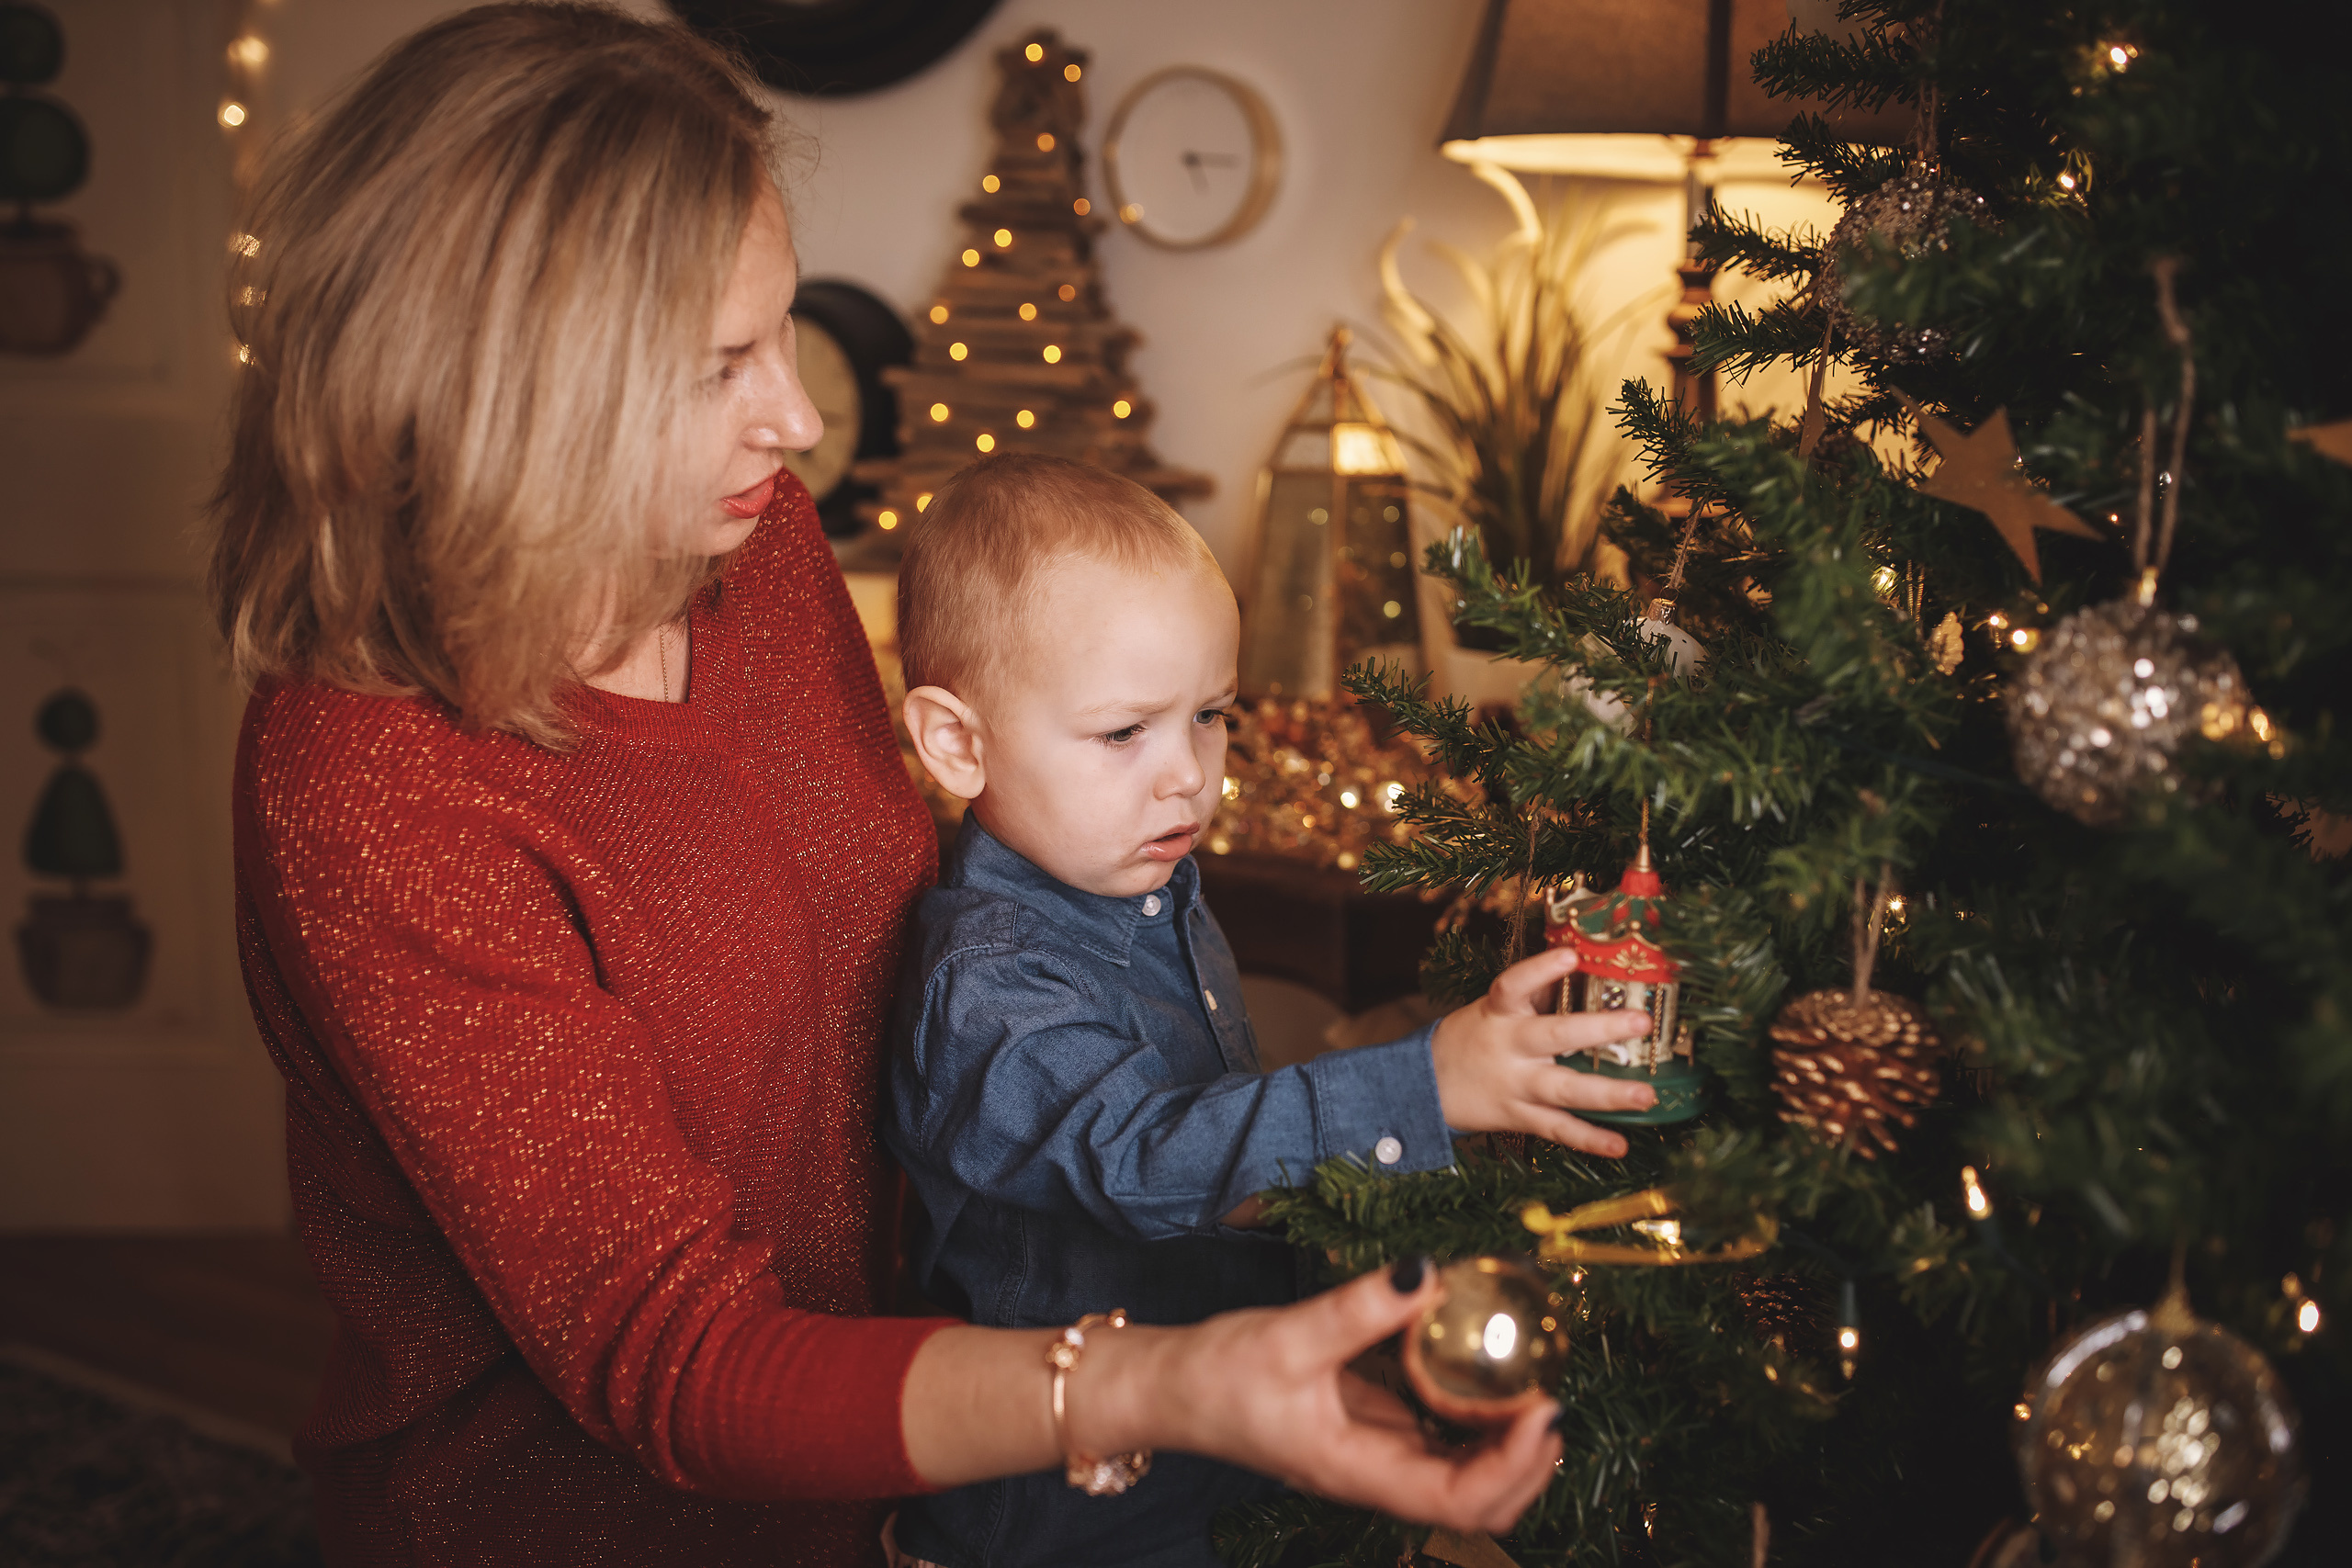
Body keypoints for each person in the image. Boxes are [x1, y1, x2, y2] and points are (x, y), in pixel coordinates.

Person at [206, 6, 1611, 1564]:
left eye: (781, 333)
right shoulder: (372, 779)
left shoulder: (752, 542)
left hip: (910, 1475)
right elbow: (678, 1359)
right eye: (720, 364)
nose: (800, 421)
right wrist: (1164, 1381)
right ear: (506, 391)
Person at [884, 456, 1657, 1567]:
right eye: (1123, 732)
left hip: (1221, 1469)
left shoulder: (1153, 887)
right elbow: (1147, 1160)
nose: (1189, 776)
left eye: (1210, 715)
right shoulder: (988, 983)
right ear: (959, 743)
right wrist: (1420, 1086)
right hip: (1066, 1523)